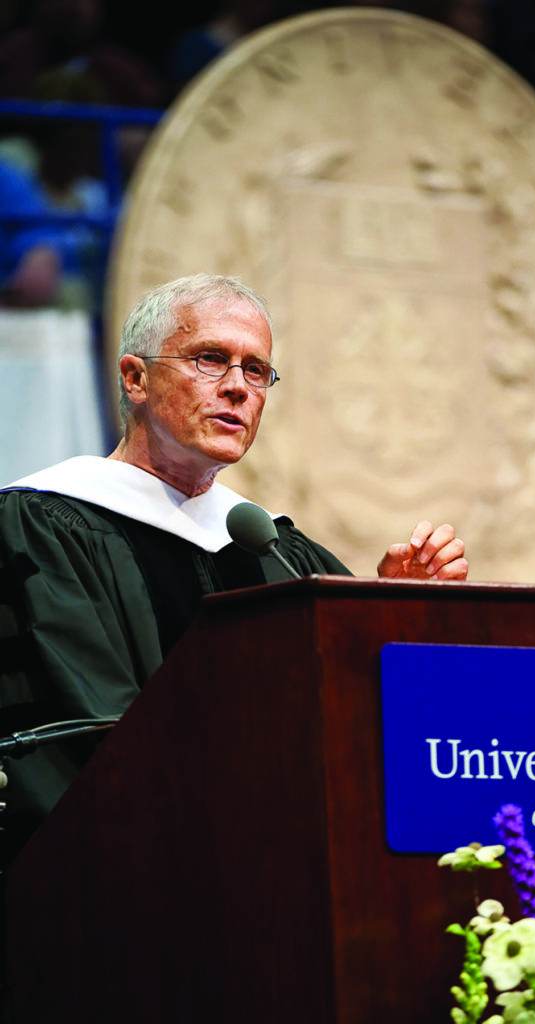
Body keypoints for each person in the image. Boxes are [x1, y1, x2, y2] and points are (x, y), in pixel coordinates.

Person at [0, 272, 468, 857]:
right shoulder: (45, 527)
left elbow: (358, 728)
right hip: (120, 876)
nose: (238, 388)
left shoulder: (272, 549)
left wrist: (389, 616)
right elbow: (81, 735)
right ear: (135, 377)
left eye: (256, 370)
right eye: (211, 359)